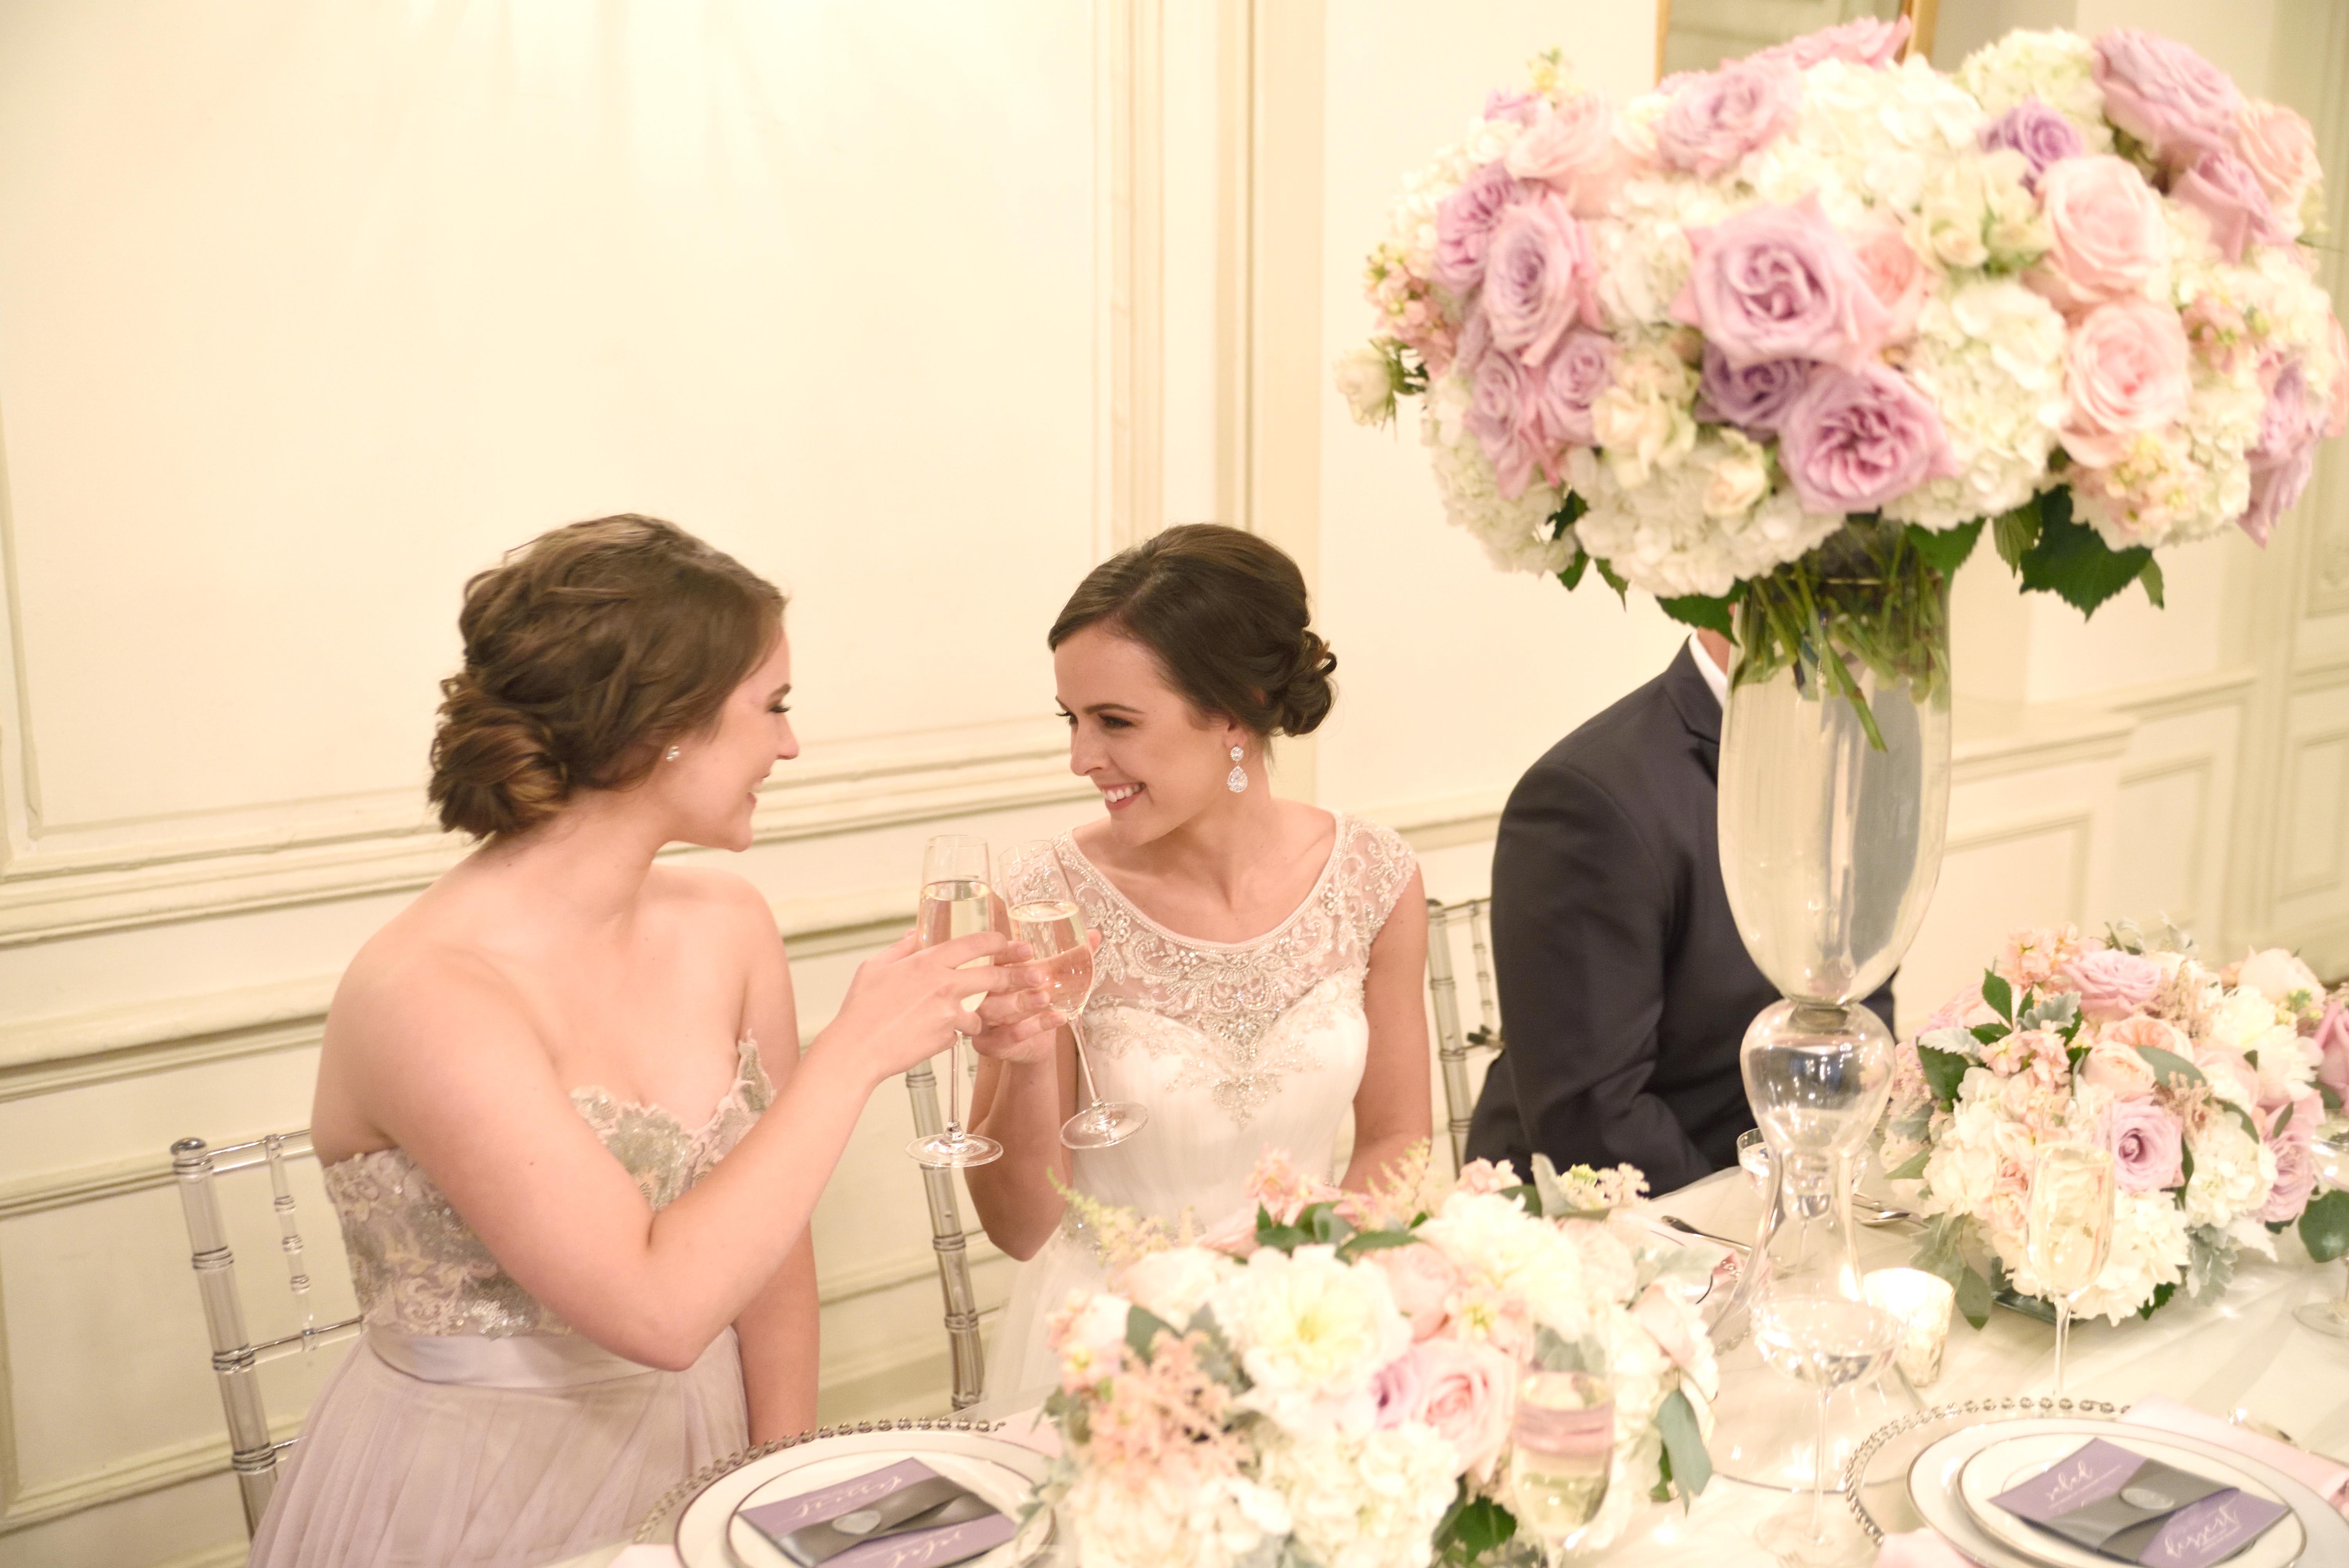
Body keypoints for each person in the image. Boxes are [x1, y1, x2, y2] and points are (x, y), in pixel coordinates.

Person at [252, 516, 1055, 1568]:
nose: (790, 745)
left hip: (704, 1454)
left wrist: (779, 1491)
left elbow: (771, 1247)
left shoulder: (728, 923)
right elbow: (661, 1313)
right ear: (665, 724)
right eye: (773, 707)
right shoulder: (426, 992)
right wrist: (853, 1052)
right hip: (470, 1489)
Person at [965, 524, 1431, 1399]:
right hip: (1111, 1353)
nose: (1080, 759)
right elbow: (1019, 1230)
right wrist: (1023, 1065)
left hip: (1310, 1330)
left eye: (1115, 722)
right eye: (1072, 720)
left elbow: (1396, 1137)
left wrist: (1311, 1302)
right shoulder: (1043, 899)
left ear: (1232, 710)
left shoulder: (1374, 877)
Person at [1465, 630, 1894, 1193]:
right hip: (1616, 1211)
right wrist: (1754, 1224)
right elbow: (1595, 1116)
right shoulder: (1589, 796)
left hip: (1796, 1190)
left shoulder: (1853, 748)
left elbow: (1864, 992)